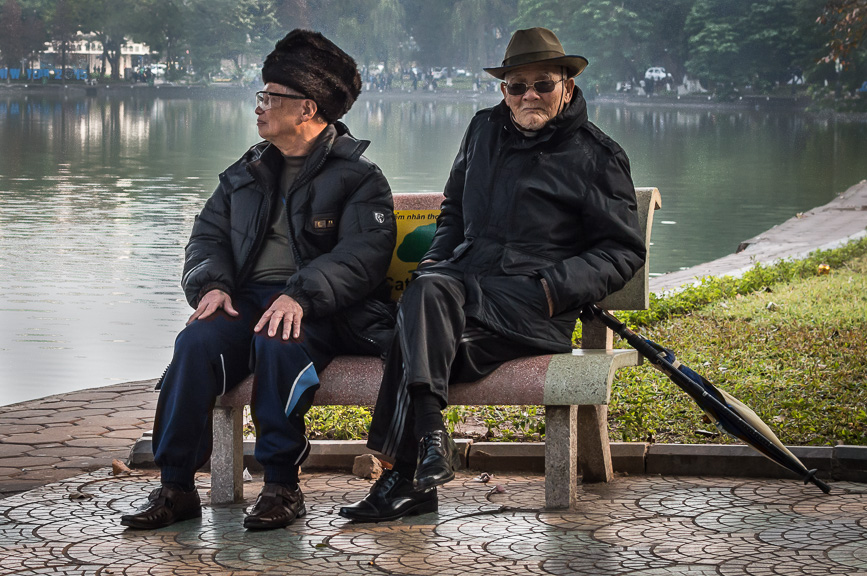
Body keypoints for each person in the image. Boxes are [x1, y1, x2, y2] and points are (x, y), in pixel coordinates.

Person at [339, 27, 647, 523]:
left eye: (542, 84)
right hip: (462, 294)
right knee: (430, 307)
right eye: (516, 85)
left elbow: (621, 250)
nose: (528, 95)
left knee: (415, 321)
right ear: (502, 90)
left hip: (530, 305)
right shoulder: (482, 130)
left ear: (566, 84)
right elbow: (454, 209)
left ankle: (407, 469)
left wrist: (552, 289)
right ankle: (426, 444)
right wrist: (439, 259)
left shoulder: (596, 155)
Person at [121, 29, 396, 531]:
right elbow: (205, 239)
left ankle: (281, 486)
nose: (260, 106)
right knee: (195, 342)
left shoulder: (361, 179)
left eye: (271, 97)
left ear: (308, 108)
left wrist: (301, 294)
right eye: (261, 95)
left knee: (279, 340)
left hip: (323, 309)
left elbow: (363, 258)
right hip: (245, 300)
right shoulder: (245, 172)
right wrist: (212, 288)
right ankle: (176, 486)